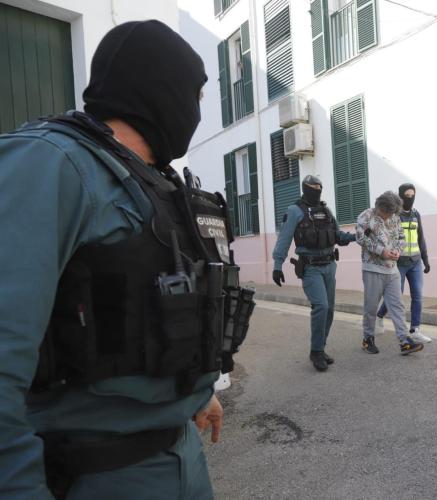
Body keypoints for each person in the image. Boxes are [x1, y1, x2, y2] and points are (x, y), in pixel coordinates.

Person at [0, 21, 254, 499]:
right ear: (161, 88)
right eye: (195, 96)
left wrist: (197, 394)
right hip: (95, 473)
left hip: (180, 454)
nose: (198, 112)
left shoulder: (155, 183)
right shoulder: (49, 165)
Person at [271, 175, 355, 372]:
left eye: (319, 187)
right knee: (321, 306)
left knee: (330, 310)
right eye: (312, 187)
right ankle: (315, 352)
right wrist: (277, 265)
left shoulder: (326, 210)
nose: (316, 190)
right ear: (305, 189)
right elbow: (284, 239)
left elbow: (338, 236)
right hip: (310, 268)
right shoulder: (294, 211)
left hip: (329, 266)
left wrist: (358, 235)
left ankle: (320, 347)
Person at [357, 191, 424, 356]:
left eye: (391, 213)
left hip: (392, 269)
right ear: (379, 207)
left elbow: (401, 237)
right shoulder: (366, 217)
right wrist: (382, 251)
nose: (388, 217)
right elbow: (361, 239)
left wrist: (397, 251)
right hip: (373, 269)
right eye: (386, 213)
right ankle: (368, 339)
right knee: (371, 307)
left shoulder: (394, 217)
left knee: (397, 306)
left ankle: (404, 341)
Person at [376, 183, 432, 343]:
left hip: (415, 262)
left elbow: (420, 237)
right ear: (400, 196)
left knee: (418, 296)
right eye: (407, 196)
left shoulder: (416, 214)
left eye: (412, 195)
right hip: (398, 263)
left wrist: (425, 259)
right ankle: (379, 316)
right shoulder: (394, 216)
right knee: (395, 296)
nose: (410, 198)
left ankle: (415, 330)